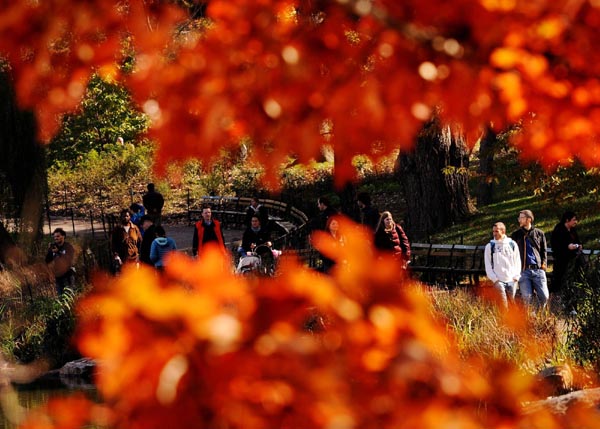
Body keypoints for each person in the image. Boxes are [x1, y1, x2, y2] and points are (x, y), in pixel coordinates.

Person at [511, 209, 549, 307]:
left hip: (538, 269)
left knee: (544, 296)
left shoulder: (539, 233)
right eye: (519, 217)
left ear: (529, 219)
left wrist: (543, 264)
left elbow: (544, 250)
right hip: (523, 271)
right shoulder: (516, 235)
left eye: (521, 218)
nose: (519, 220)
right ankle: (531, 318)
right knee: (527, 298)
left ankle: (540, 315)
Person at [484, 222, 521, 308]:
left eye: (496, 231)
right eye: (493, 231)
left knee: (512, 304)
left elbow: (517, 261)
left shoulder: (512, 244)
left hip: (511, 280)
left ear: (503, 231)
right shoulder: (490, 246)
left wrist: (516, 277)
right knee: (503, 305)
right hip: (498, 280)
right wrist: (495, 279)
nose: (494, 234)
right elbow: (488, 264)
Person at [550, 211, 582, 294]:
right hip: (561, 259)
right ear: (567, 220)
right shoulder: (559, 229)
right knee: (558, 279)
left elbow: (577, 241)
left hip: (572, 259)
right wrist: (567, 246)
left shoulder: (573, 230)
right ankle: (555, 297)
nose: (575, 222)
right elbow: (555, 244)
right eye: (574, 220)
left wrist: (578, 245)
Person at [45, 228, 76, 295]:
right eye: (55, 237)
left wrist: (58, 252)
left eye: (58, 236)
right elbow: (48, 261)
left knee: (69, 295)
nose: (56, 238)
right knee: (60, 296)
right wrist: (49, 251)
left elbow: (69, 259)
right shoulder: (53, 247)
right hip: (58, 275)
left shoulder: (68, 246)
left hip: (68, 275)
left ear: (63, 236)